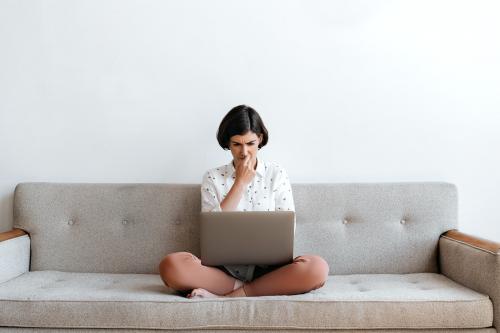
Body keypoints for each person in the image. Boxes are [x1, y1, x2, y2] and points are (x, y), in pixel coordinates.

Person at [158, 105, 329, 298]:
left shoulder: (276, 174)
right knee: (171, 266)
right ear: (228, 144)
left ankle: (229, 296)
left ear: (260, 139)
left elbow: (289, 230)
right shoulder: (213, 177)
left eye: (250, 143)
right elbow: (212, 232)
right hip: (223, 272)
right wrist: (239, 183)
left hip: (271, 271)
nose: (244, 152)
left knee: (317, 268)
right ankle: (244, 290)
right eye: (237, 144)